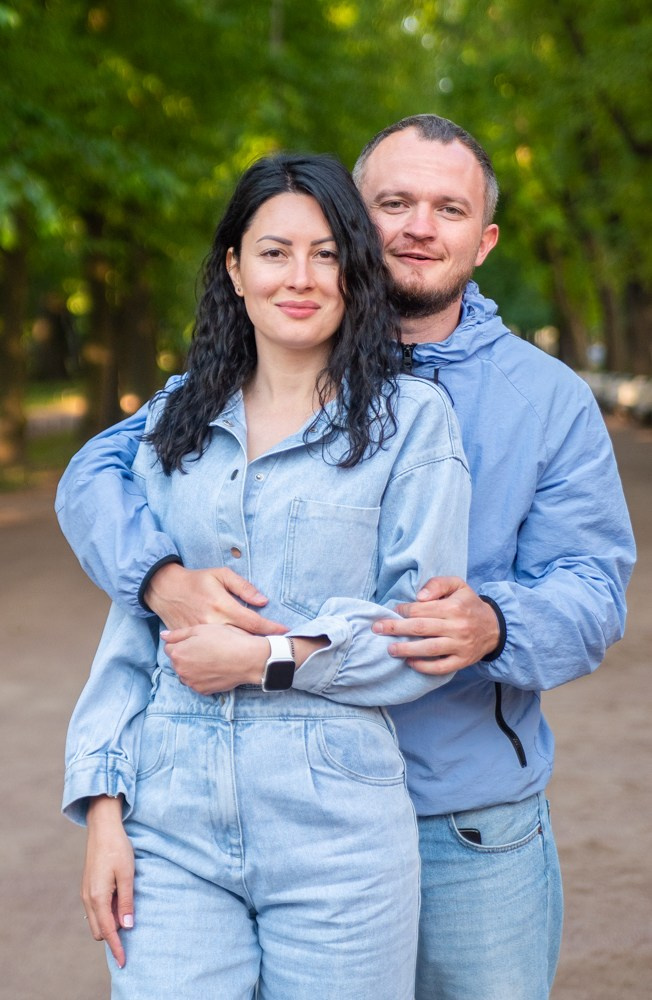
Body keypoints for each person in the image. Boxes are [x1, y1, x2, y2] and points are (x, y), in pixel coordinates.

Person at [57, 117, 636, 1000]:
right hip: (233, 792)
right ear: (354, 224)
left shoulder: (542, 398)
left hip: (459, 813)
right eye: (394, 202)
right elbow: (100, 476)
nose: (417, 226)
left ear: (483, 240)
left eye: (448, 208)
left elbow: (595, 590)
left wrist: (495, 623)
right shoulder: (231, 383)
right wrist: (164, 582)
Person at [62, 151, 471, 999]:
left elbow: (418, 633)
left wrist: (265, 656)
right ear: (235, 269)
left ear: (356, 276)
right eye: (276, 251)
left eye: (328, 254)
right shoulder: (171, 422)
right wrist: (103, 808)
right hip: (167, 824)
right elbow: (132, 630)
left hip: (339, 835)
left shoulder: (413, 425)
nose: (302, 276)